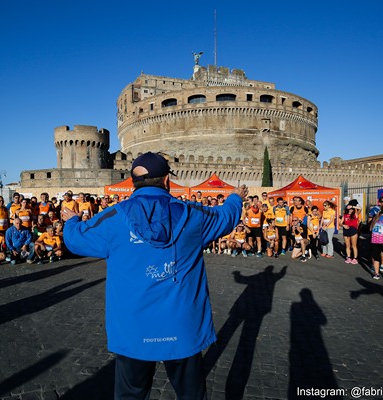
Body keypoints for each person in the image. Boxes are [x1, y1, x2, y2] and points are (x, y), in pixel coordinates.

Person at [62, 152, 248, 400]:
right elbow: (225, 217)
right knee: (191, 395)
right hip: (182, 326)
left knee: (131, 395)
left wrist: (72, 221)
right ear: (167, 181)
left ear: (132, 182)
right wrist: (235, 198)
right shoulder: (193, 215)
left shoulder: (114, 219)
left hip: (133, 327)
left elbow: (75, 241)